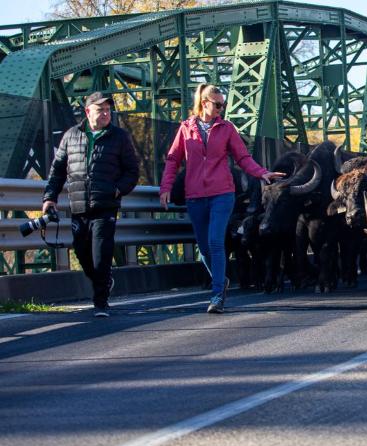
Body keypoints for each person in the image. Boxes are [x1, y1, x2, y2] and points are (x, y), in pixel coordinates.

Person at [159, 83, 283, 314]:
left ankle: (217, 295)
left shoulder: (227, 128)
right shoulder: (186, 128)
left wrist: (262, 173)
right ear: (204, 103)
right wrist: (166, 187)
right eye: (217, 104)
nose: (221, 109)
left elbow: (243, 158)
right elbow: (172, 160)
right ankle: (221, 279)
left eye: (223, 105)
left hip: (222, 194)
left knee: (216, 242)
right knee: (204, 247)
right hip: (195, 195)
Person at [43, 92, 140, 318]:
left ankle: (100, 302)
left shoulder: (119, 137)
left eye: (108, 110)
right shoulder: (71, 135)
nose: (105, 114)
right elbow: (57, 170)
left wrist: (117, 189)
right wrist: (49, 197)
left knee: (101, 253)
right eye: (100, 110)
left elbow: (132, 171)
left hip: (105, 206)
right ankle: (103, 281)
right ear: (88, 112)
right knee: (82, 251)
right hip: (78, 206)